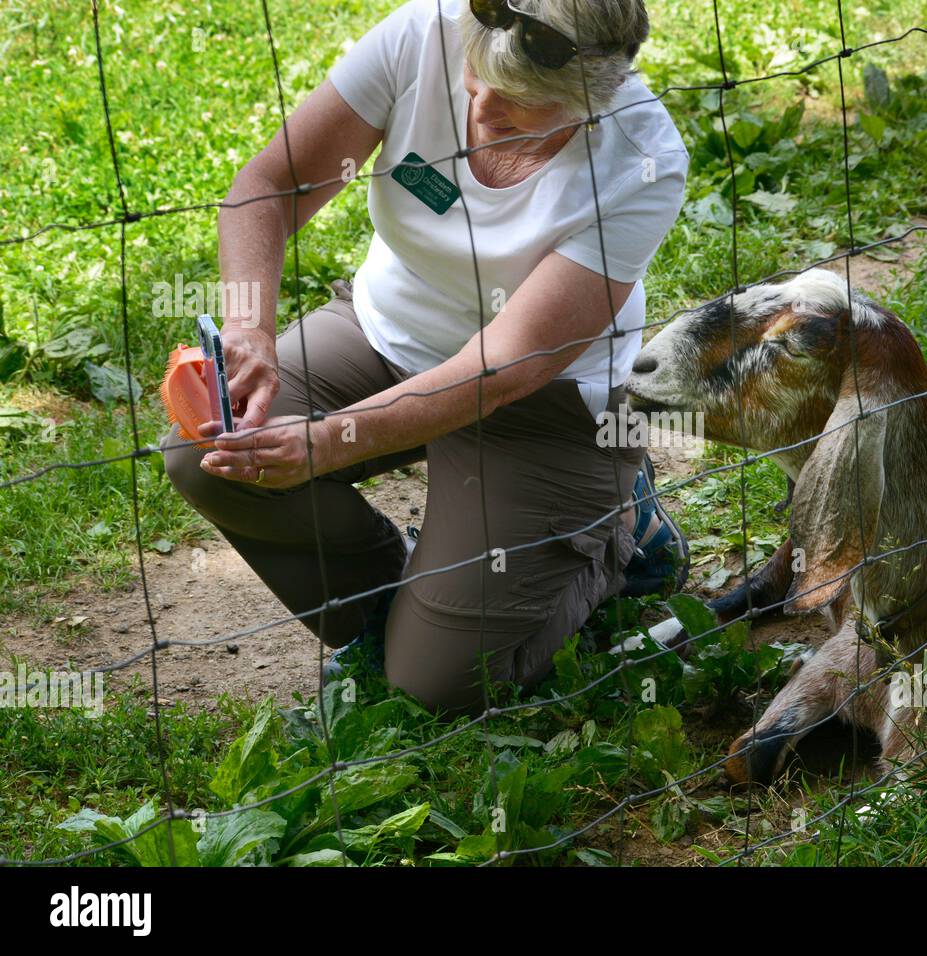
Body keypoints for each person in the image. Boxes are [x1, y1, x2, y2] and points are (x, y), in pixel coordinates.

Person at [162, 0, 690, 714]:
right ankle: (386, 611)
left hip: (542, 399)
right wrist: (249, 330)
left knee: (442, 688)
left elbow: (506, 366)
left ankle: (622, 535)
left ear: (595, 97)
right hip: (387, 333)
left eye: (519, 104)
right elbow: (269, 186)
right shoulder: (425, 32)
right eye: (475, 82)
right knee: (208, 456)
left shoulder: (639, 158)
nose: (481, 114)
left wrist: (332, 439)